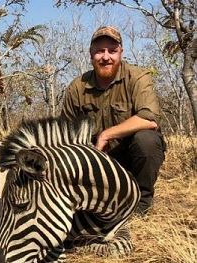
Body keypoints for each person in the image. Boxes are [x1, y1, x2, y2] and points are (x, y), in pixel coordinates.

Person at [61, 26, 166, 216]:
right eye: (100, 51)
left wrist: (106, 134)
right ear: (91, 54)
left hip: (130, 159)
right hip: (95, 163)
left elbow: (149, 119)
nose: (106, 57)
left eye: (112, 51)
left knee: (147, 140)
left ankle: (142, 203)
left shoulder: (138, 77)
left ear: (121, 53)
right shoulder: (77, 87)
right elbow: (64, 133)